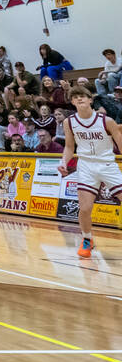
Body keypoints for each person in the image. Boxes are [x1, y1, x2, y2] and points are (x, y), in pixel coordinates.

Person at [59, 87, 122, 259]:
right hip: (86, 165)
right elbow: (70, 147)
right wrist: (64, 161)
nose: (79, 99)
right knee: (85, 208)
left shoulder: (106, 121)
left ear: (90, 100)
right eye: (75, 97)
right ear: (72, 102)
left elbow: (120, 144)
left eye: (82, 96)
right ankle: (87, 239)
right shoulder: (69, 122)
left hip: (107, 164)